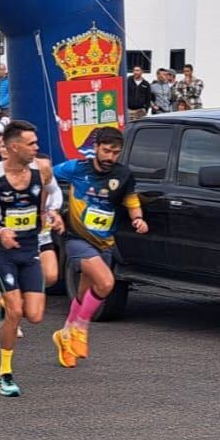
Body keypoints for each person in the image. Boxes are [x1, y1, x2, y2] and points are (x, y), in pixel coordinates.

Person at [0, 120, 63, 396]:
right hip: (5, 251)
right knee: (16, 311)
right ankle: (5, 372)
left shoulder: (43, 169)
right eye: (32, 144)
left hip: (31, 246)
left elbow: (55, 194)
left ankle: (6, 307)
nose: (37, 148)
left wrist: (54, 212)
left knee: (35, 316)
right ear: (14, 148)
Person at [52, 127, 148, 368]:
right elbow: (45, 177)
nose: (110, 157)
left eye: (115, 153)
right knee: (106, 283)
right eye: (106, 151)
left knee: (85, 293)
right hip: (77, 239)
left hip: (104, 242)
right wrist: (51, 209)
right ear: (95, 148)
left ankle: (65, 334)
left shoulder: (123, 175)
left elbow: (131, 200)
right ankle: (81, 329)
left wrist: (138, 218)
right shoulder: (76, 168)